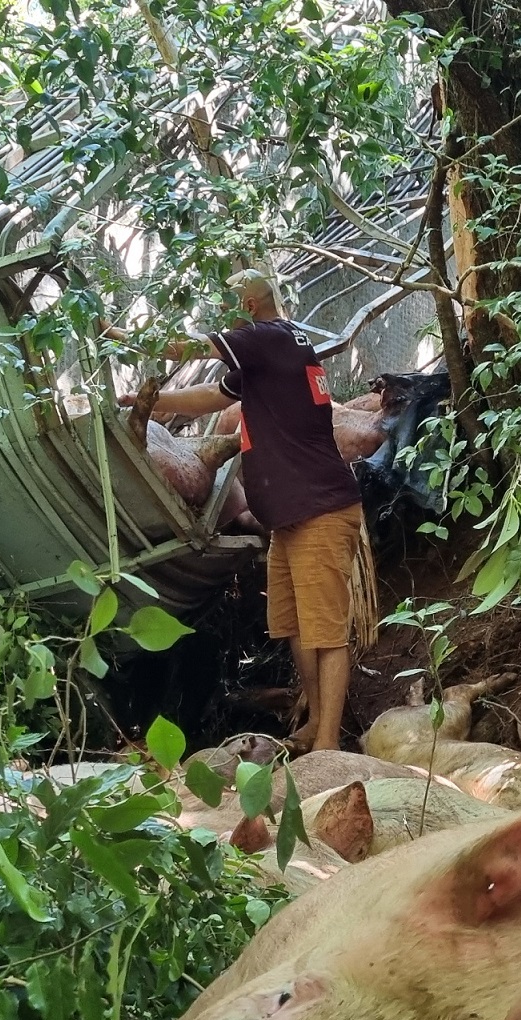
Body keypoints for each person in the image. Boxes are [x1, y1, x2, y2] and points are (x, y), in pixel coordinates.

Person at [106, 270, 372, 754]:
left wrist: (120, 333)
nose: (223, 321)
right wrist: (147, 400)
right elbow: (215, 396)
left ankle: (329, 743)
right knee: (294, 625)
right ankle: (313, 723)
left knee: (327, 632)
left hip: (319, 507)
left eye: (229, 307)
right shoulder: (274, 349)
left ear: (248, 304)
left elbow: (179, 349)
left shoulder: (267, 336)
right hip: (290, 514)